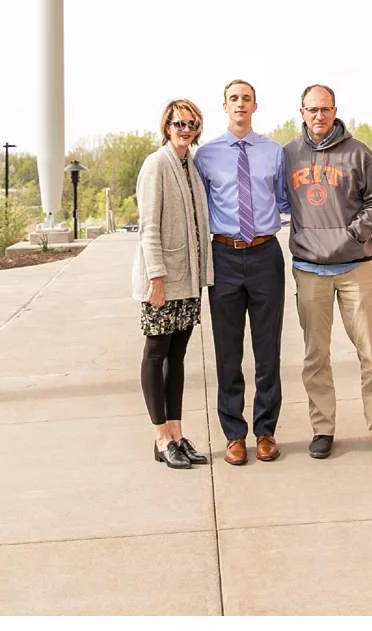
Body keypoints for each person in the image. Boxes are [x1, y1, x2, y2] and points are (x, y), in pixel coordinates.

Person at [283, 85, 372, 462]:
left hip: (356, 268)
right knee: (316, 356)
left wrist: (352, 236)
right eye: (312, 109)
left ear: (335, 111)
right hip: (309, 269)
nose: (318, 116)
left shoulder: (358, 153)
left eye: (325, 109)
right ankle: (323, 429)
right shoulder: (288, 155)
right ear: (302, 113)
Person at [196, 79, 290, 465]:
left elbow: (284, 199)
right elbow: (200, 207)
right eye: (233, 98)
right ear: (225, 106)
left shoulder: (273, 152)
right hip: (224, 257)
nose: (240, 104)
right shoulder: (206, 155)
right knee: (227, 352)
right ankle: (234, 434)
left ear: (255, 106)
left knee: (268, 351)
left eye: (246, 98)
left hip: (266, 254)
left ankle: (265, 431)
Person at [133, 97, 215, 469]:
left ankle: (177, 434)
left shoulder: (190, 166)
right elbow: (148, 227)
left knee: (177, 357)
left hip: (189, 281)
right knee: (156, 354)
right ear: (167, 126)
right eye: (179, 123)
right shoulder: (157, 164)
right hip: (163, 282)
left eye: (191, 124)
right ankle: (161, 437)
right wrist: (156, 278)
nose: (185, 130)